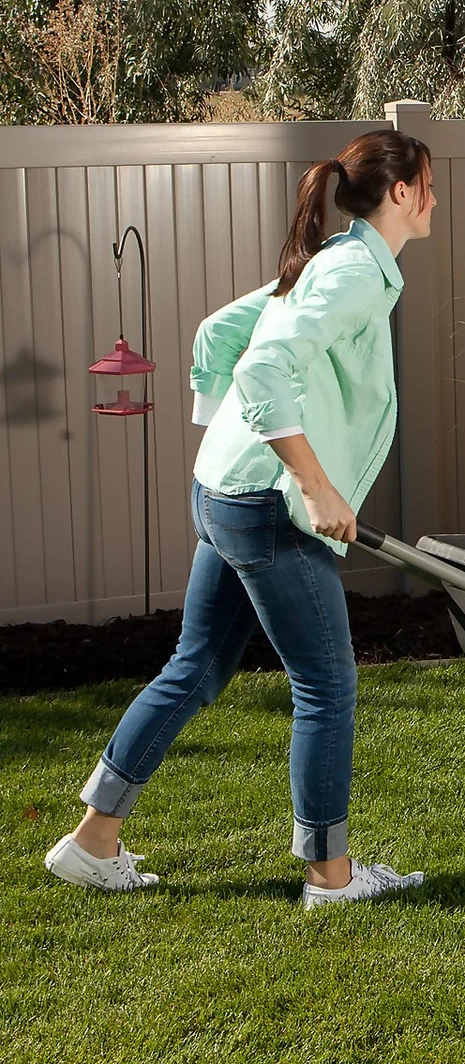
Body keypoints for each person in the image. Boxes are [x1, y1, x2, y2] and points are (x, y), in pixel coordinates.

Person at [45, 129, 438, 909]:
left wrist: (225, 433)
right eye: (428, 183)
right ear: (400, 192)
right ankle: (330, 877)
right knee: (327, 684)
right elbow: (260, 363)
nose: (435, 198)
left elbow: (219, 330)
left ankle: (92, 841)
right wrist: (312, 484)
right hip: (266, 506)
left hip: (224, 489)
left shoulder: (337, 260)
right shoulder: (353, 271)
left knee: (195, 666)